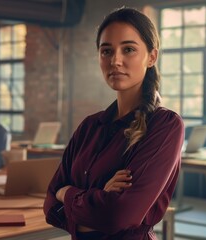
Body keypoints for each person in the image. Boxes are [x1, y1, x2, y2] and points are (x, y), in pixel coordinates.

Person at [43, 7, 184, 240]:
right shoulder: (89, 126)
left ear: (151, 57)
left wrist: (67, 193)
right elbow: (50, 207)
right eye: (106, 51)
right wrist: (97, 198)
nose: (115, 61)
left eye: (128, 49)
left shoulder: (165, 125)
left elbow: (117, 216)